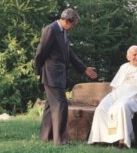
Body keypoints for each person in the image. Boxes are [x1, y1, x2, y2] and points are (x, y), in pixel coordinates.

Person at [34, 8, 97, 145]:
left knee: (51, 107)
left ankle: (45, 137)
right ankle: (60, 141)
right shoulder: (51, 29)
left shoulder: (63, 32)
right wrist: (38, 72)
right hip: (52, 75)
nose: (73, 27)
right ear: (67, 20)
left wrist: (84, 68)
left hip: (58, 75)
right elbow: (40, 53)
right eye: (73, 24)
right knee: (61, 106)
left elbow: (70, 54)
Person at [88, 45, 137, 148]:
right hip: (117, 95)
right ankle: (101, 138)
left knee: (121, 106)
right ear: (128, 57)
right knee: (101, 108)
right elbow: (116, 86)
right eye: (134, 55)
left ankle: (122, 141)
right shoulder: (124, 67)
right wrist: (112, 98)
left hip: (133, 98)